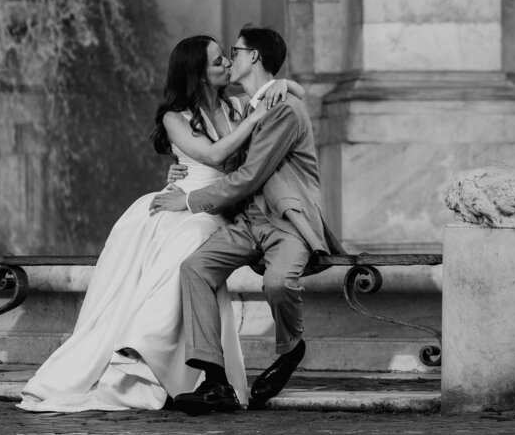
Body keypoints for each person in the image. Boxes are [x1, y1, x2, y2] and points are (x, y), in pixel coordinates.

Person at [17, 34, 304, 412]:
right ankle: (141, 357)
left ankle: (171, 364)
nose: (226, 65)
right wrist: (254, 120)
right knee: (185, 255)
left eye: (227, 57)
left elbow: (292, 94)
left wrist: (282, 84)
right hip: (181, 205)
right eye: (218, 61)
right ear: (198, 73)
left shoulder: (236, 105)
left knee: (192, 255)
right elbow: (217, 156)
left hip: (216, 206)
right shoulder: (176, 117)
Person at [149, 25, 342, 415]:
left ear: (253, 57)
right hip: (248, 220)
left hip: (284, 220)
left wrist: (190, 200)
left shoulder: (283, 109)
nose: (228, 59)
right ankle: (215, 381)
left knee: (278, 282)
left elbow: (249, 174)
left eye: (233, 52)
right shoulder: (251, 104)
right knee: (196, 269)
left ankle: (291, 348)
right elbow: (220, 151)